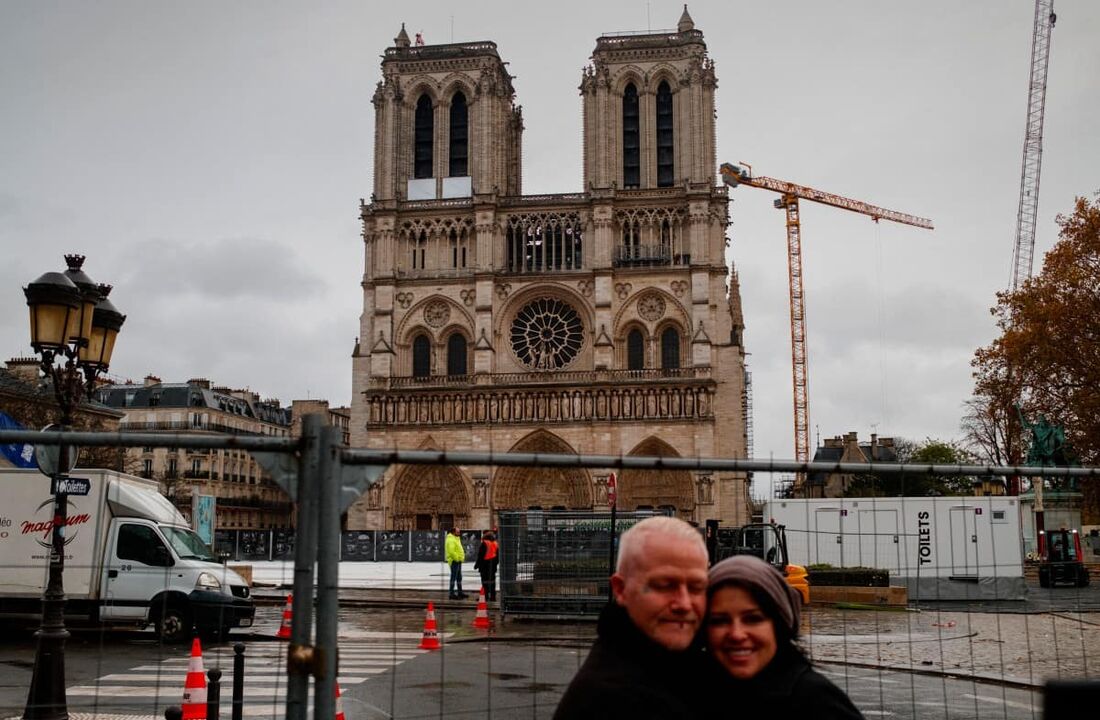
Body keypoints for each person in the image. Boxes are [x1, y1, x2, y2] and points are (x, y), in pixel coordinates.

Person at [553, 516, 710, 719]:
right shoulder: (610, 701)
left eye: (697, 587)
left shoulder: (679, 664)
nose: (684, 604)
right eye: (663, 585)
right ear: (620, 589)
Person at [702, 555, 864, 719]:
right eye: (720, 621)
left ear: (780, 626)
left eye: (753, 619)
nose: (737, 634)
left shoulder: (817, 703)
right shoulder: (690, 697)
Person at [474, 530, 499, 600]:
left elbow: (480, 555)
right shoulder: (495, 543)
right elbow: (498, 555)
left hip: (484, 565)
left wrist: (477, 565)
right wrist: (496, 563)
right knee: (492, 581)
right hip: (493, 565)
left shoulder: (484, 543)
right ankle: (493, 596)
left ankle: (485, 596)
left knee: (484, 581)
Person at [445, 526, 467, 599]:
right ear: (453, 532)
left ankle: (460, 592)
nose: (459, 533)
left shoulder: (456, 539)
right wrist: (457, 558)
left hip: (458, 560)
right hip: (454, 561)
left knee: (459, 577)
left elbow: (458, 549)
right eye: (458, 532)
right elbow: (451, 551)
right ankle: (451, 593)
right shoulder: (451, 539)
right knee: (453, 577)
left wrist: (461, 558)